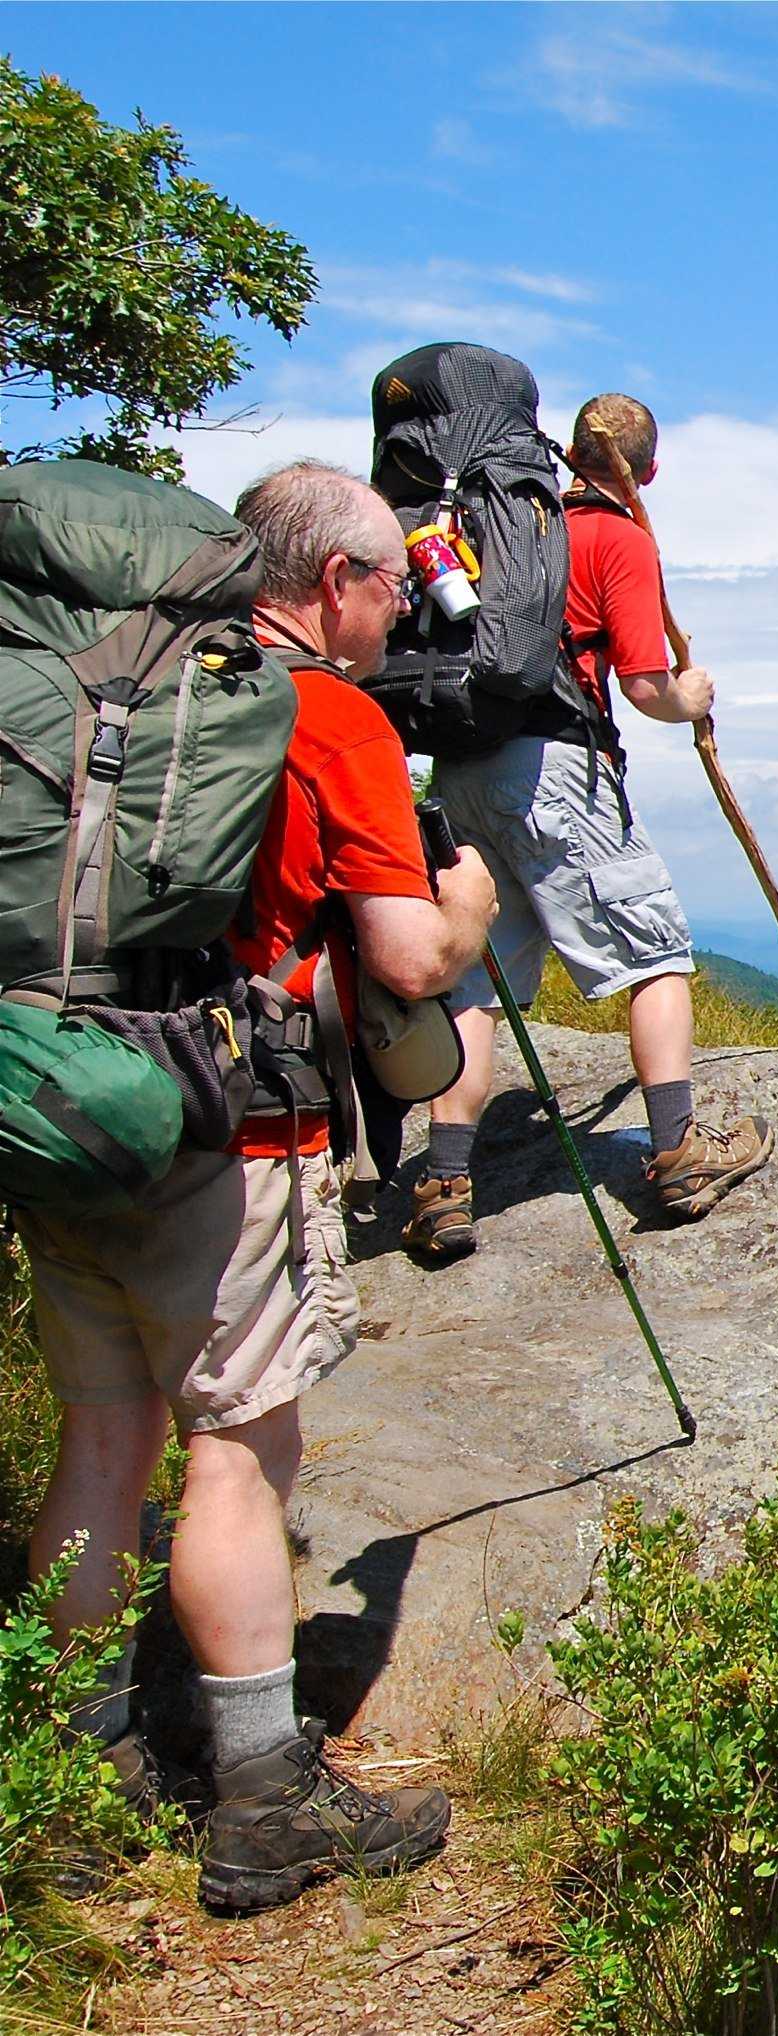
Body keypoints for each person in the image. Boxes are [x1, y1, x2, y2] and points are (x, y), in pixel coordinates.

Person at [21, 459, 499, 1916]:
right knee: (239, 1452)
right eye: (387, 588)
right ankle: (264, 1801)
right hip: (232, 1126)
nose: (394, 614)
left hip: (62, 1096)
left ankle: (70, 1766)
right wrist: (469, 906)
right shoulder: (323, 716)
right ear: (339, 582)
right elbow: (409, 962)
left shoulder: (106, 687)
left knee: (102, 1444)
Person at [404, 391, 769, 1261]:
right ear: (648, 471)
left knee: (480, 976)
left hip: (462, 770)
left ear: (567, 454)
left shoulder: (504, 530)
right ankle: (679, 1149)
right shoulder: (618, 537)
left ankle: (445, 1182)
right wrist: (694, 700)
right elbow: (646, 687)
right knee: (656, 951)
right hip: (558, 769)